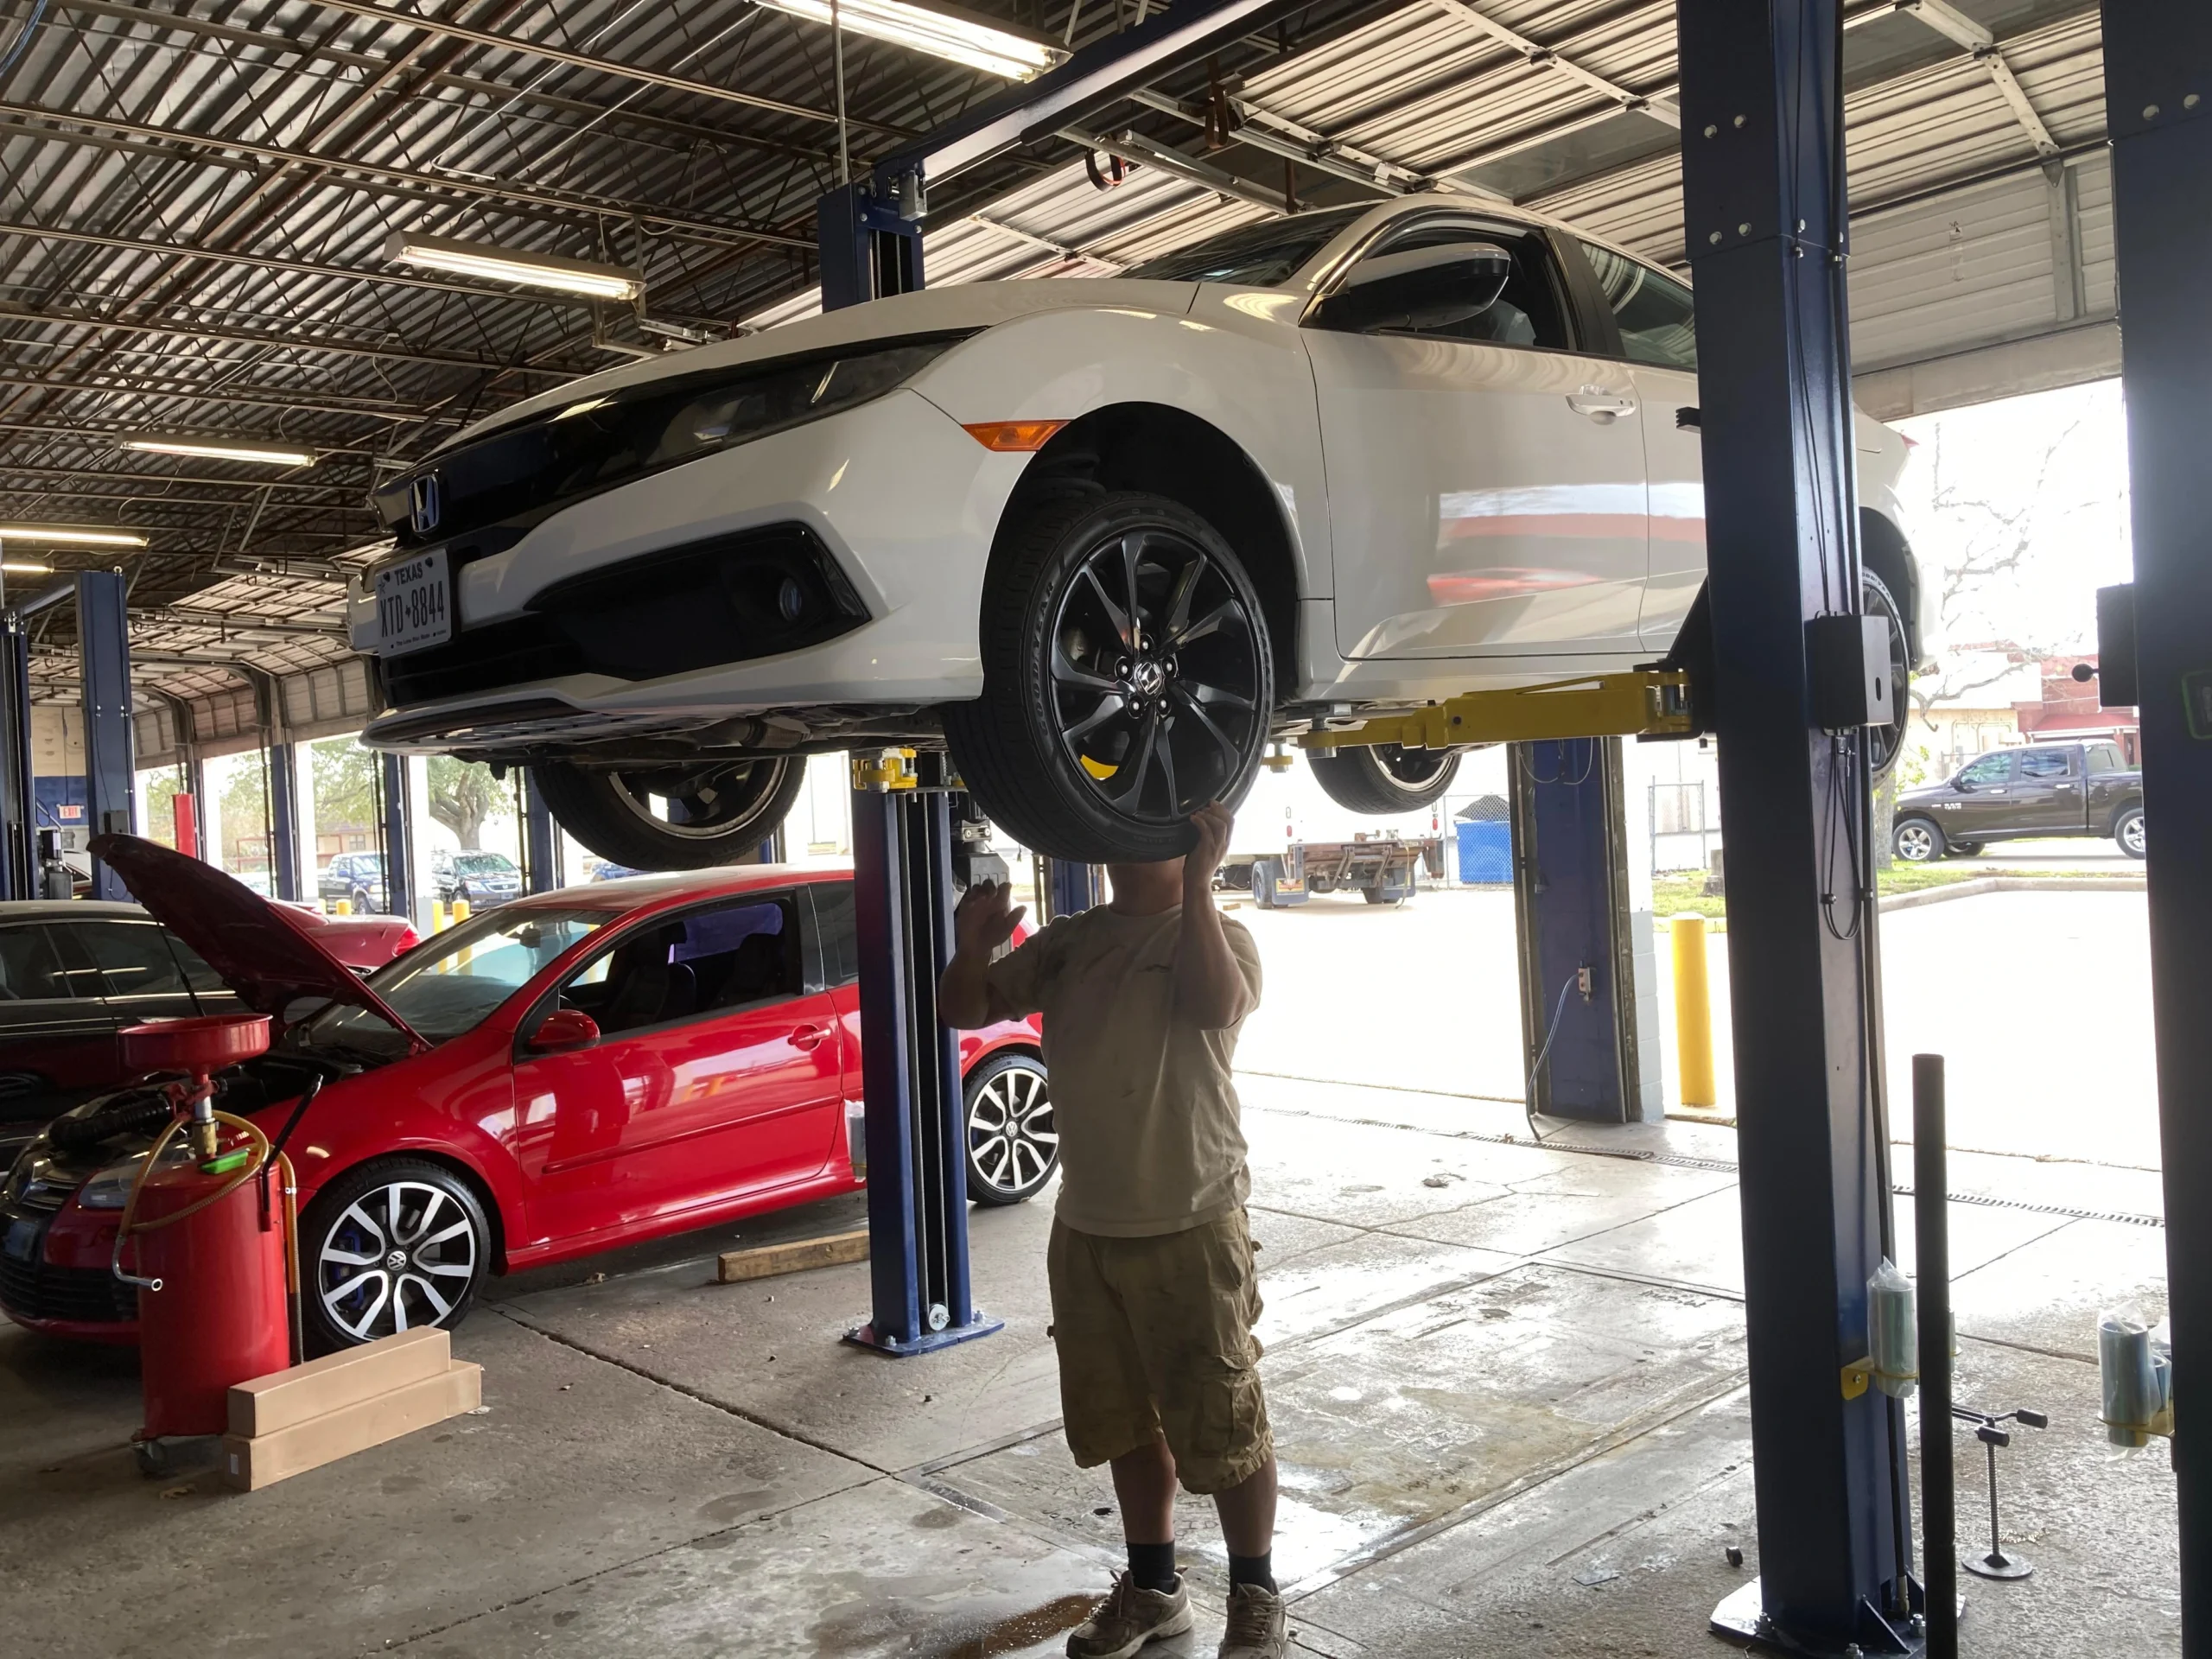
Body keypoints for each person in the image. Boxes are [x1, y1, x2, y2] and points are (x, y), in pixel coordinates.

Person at [939, 802, 1282, 1659]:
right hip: (1088, 1228)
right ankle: (1155, 1590)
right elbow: (961, 1009)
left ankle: (1254, 1595)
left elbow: (1214, 1006)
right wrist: (972, 944)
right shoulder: (1069, 941)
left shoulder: (1222, 935)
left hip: (1192, 1219)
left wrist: (1200, 884)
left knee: (1225, 1426)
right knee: (1125, 1422)